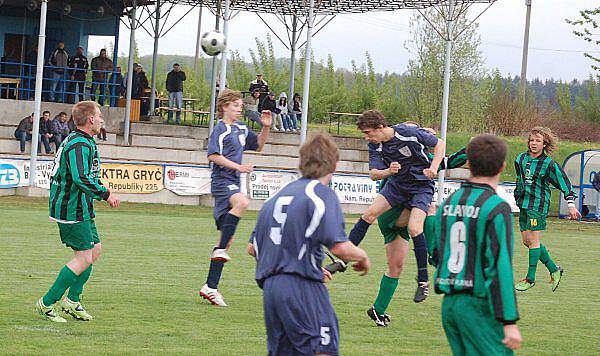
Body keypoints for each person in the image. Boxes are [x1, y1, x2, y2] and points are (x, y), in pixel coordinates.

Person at [248, 133, 371, 355]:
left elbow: (252, 247)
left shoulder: (275, 198)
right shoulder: (320, 194)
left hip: (271, 290)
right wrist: (362, 256)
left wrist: (296, 265)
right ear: (334, 164)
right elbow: (340, 248)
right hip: (301, 287)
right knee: (321, 349)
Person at [326, 110, 445, 303]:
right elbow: (373, 174)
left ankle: (423, 280)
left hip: (421, 186)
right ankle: (343, 259)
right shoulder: (376, 145)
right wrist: (388, 171)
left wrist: (434, 167)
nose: (367, 137)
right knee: (369, 214)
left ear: (381, 127)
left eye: (368, 132)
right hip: (397, 185)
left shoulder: (407, 133)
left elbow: (440, 143)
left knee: (415, 228)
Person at [426, 134, 522, 355]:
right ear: (502, 166)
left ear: (468, 163)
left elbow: (437, 255)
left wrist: (430, 223)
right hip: (479, 306)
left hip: (450, 306)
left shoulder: (449, 202)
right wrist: (508, 321)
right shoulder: (496, 207)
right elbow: (500, 266)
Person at [35, 100, 120, 323]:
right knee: (83, 257)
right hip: (70, 208)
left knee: (94, 251)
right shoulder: (79, 144)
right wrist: (106, 194)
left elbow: (86, 175)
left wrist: (100, 188)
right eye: (99, 115)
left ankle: (72, 301)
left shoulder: (83, 141)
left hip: (81, 206)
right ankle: (47, 303)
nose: (101, 119)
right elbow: (80, 178)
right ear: (91, 119)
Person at [367, 144, 468, 326]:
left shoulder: (421, 157)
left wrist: (468, 150)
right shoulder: (402, 157)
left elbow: (449, 161)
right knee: (428, 208)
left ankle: (378, 310)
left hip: (395, 222)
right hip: (392, 212)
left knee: (395, 267)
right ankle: (435, 256)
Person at [198, 89, 272, 306]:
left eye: (240, 105)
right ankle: (220, 251)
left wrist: (266, 127)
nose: (240, 108)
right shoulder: (220, 130)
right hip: (221, 182)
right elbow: (213, 155)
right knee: (242, 202)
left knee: (226, 240)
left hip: (232, 183)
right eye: (236, 105)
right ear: (224, 107)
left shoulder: (241, 128)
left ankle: (210, 287)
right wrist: (238, 167)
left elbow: (258, 145)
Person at [513, 127, 581, 292]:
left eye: (538, 141)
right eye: (532, 140)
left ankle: (530, 279)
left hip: (538, 206)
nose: (534, 143)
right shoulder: (520, 159)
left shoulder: (549, 164)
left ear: (544, 144)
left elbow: (564, 183)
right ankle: (554, 269)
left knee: (534, 241)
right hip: (524, 205)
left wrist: (571, 204)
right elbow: (520, 179)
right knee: (527, 241)